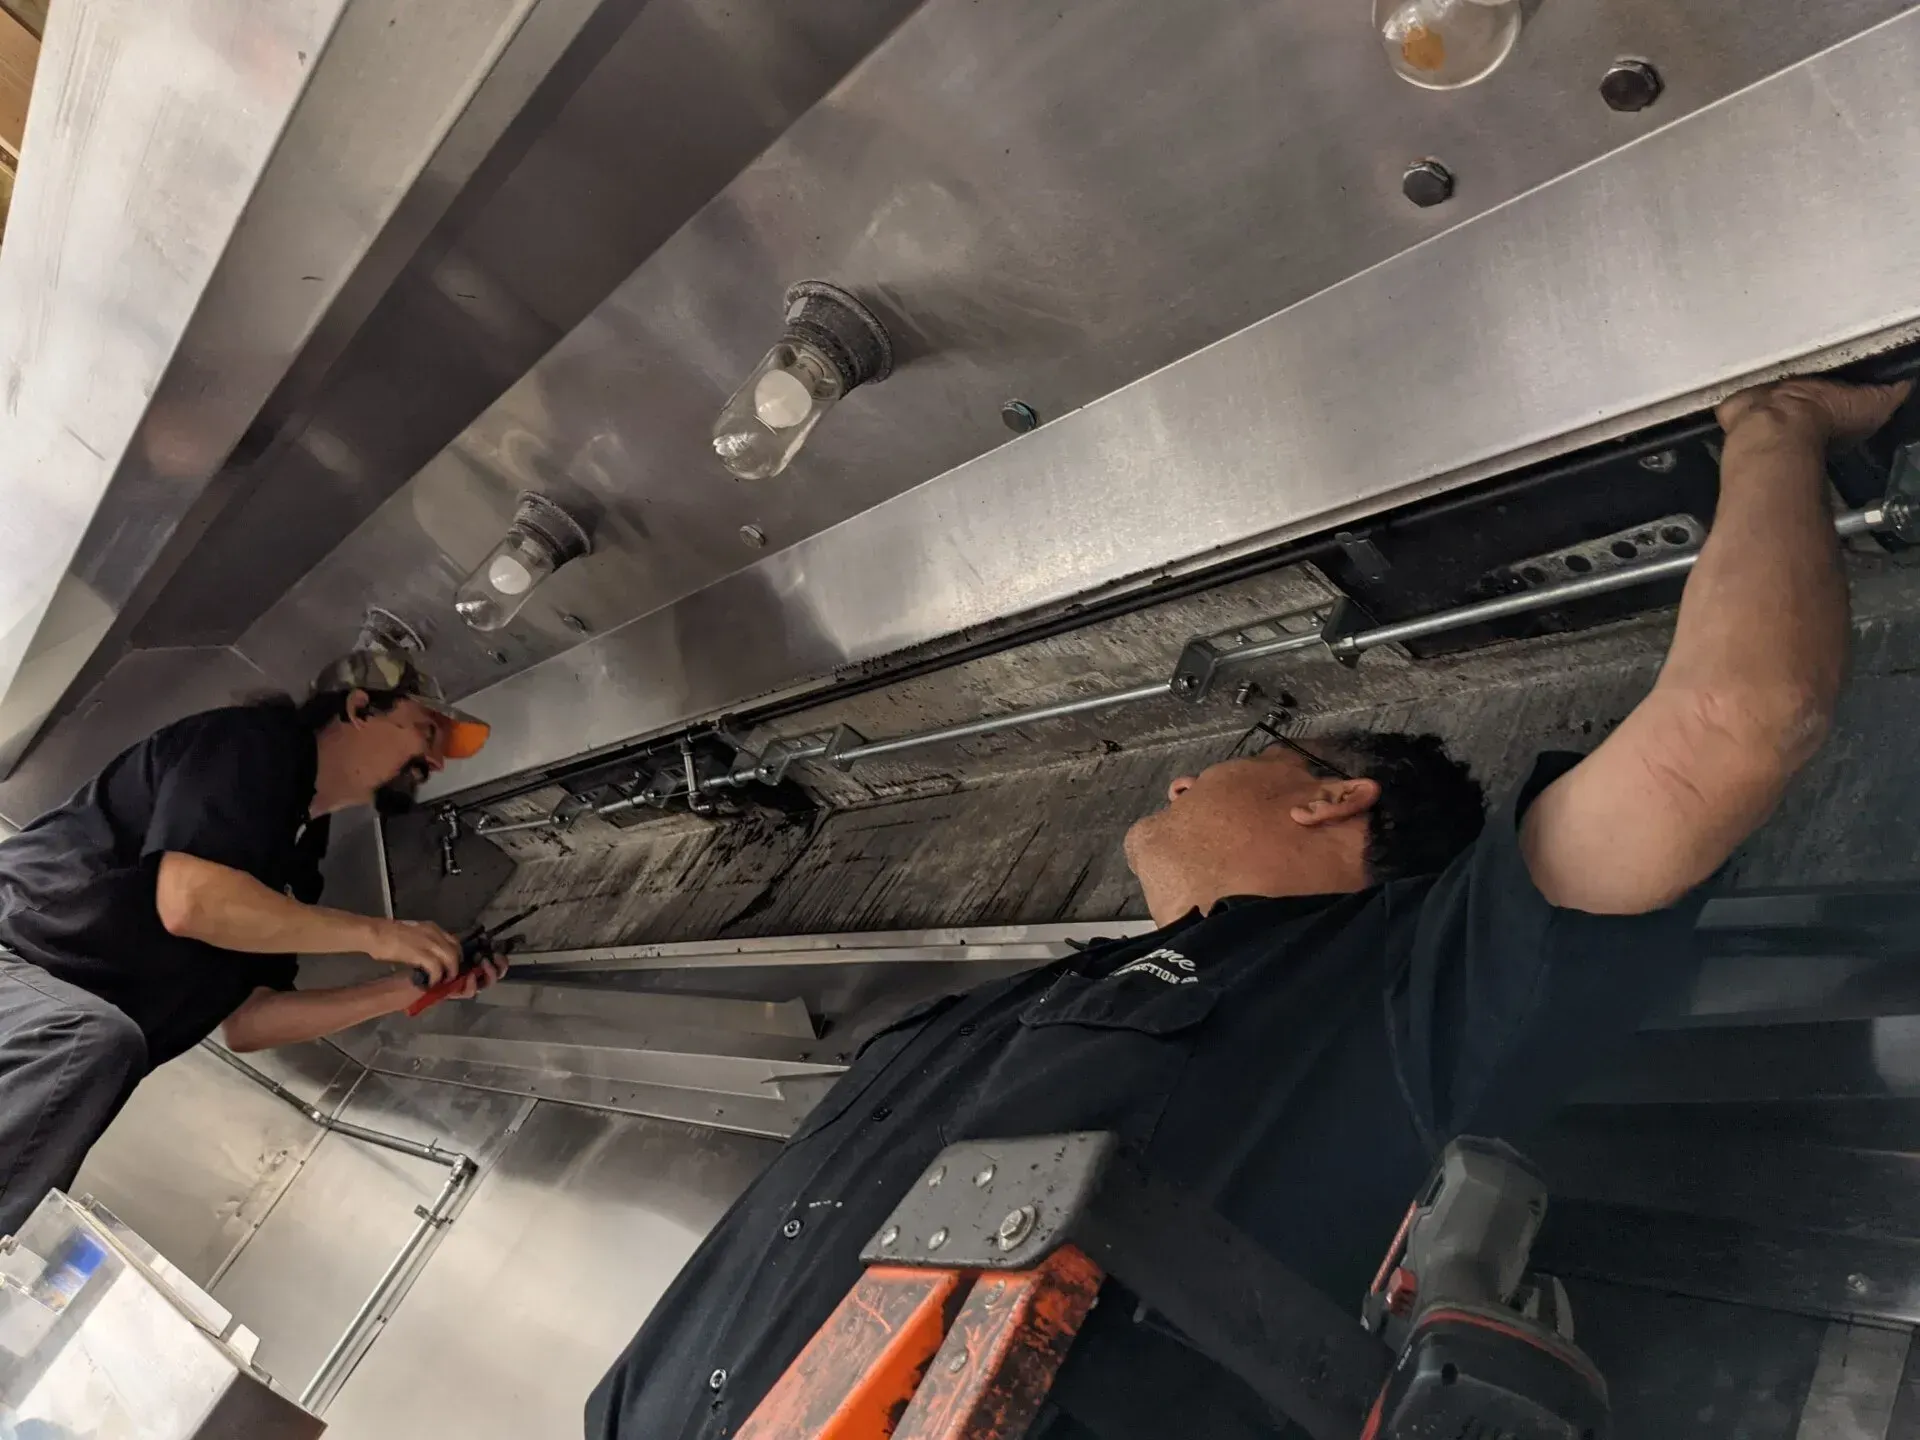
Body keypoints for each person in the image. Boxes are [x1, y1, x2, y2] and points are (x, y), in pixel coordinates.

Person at [584, 374, 1909, 1440]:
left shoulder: (1390, 989)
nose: (1183, 769)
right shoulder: (1001, 1013)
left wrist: (1771, 433)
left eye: (1238, 756)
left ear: (1332, 802)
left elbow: (1730, 729)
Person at [0, 648, 509, 1235]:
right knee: (95, 1041)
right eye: (428, 731)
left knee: (85, 1075)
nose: (437, 761)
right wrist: (380, 934)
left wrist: (409, 986)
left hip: (65, 1041)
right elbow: (190, 901)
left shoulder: (301, 852)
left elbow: (250, 1022)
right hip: (19, 965)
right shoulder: (253, 745)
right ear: (361, 708)